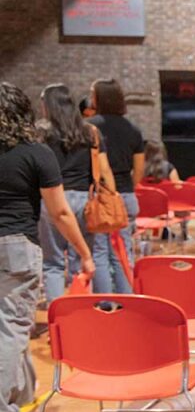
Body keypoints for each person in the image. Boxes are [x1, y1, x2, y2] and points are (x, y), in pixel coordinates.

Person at [0, 82, 94, 412]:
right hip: (16, 247)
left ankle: (22, 393)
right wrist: (84, 253)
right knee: (11, 328)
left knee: (8, 326)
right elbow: (61, 214)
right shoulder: (35, 153)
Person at [36, 83, 116, 305]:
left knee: (52, 263)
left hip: (51, 200)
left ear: (48, 105)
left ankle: (57, 319)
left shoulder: (41, 134)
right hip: (84, 201)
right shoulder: (91, 132)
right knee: (83, 259)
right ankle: (83, 314)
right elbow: (104, 170)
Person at [88, 78, 144, 292]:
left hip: (100, 199)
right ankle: (126, 302)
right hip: (126, 196)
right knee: (123, 251)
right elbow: (139, 170)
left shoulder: (91, 127)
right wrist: (127, 188)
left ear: (98, 98)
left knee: (100, 252)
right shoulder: (133, 130)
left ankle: (104, 304)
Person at [143, 140, 187, 240]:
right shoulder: (169, 168)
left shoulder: (140, 169)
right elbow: (178, 188)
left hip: (144, 209)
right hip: (166, 209)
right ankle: (184, 234)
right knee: (184, 205)